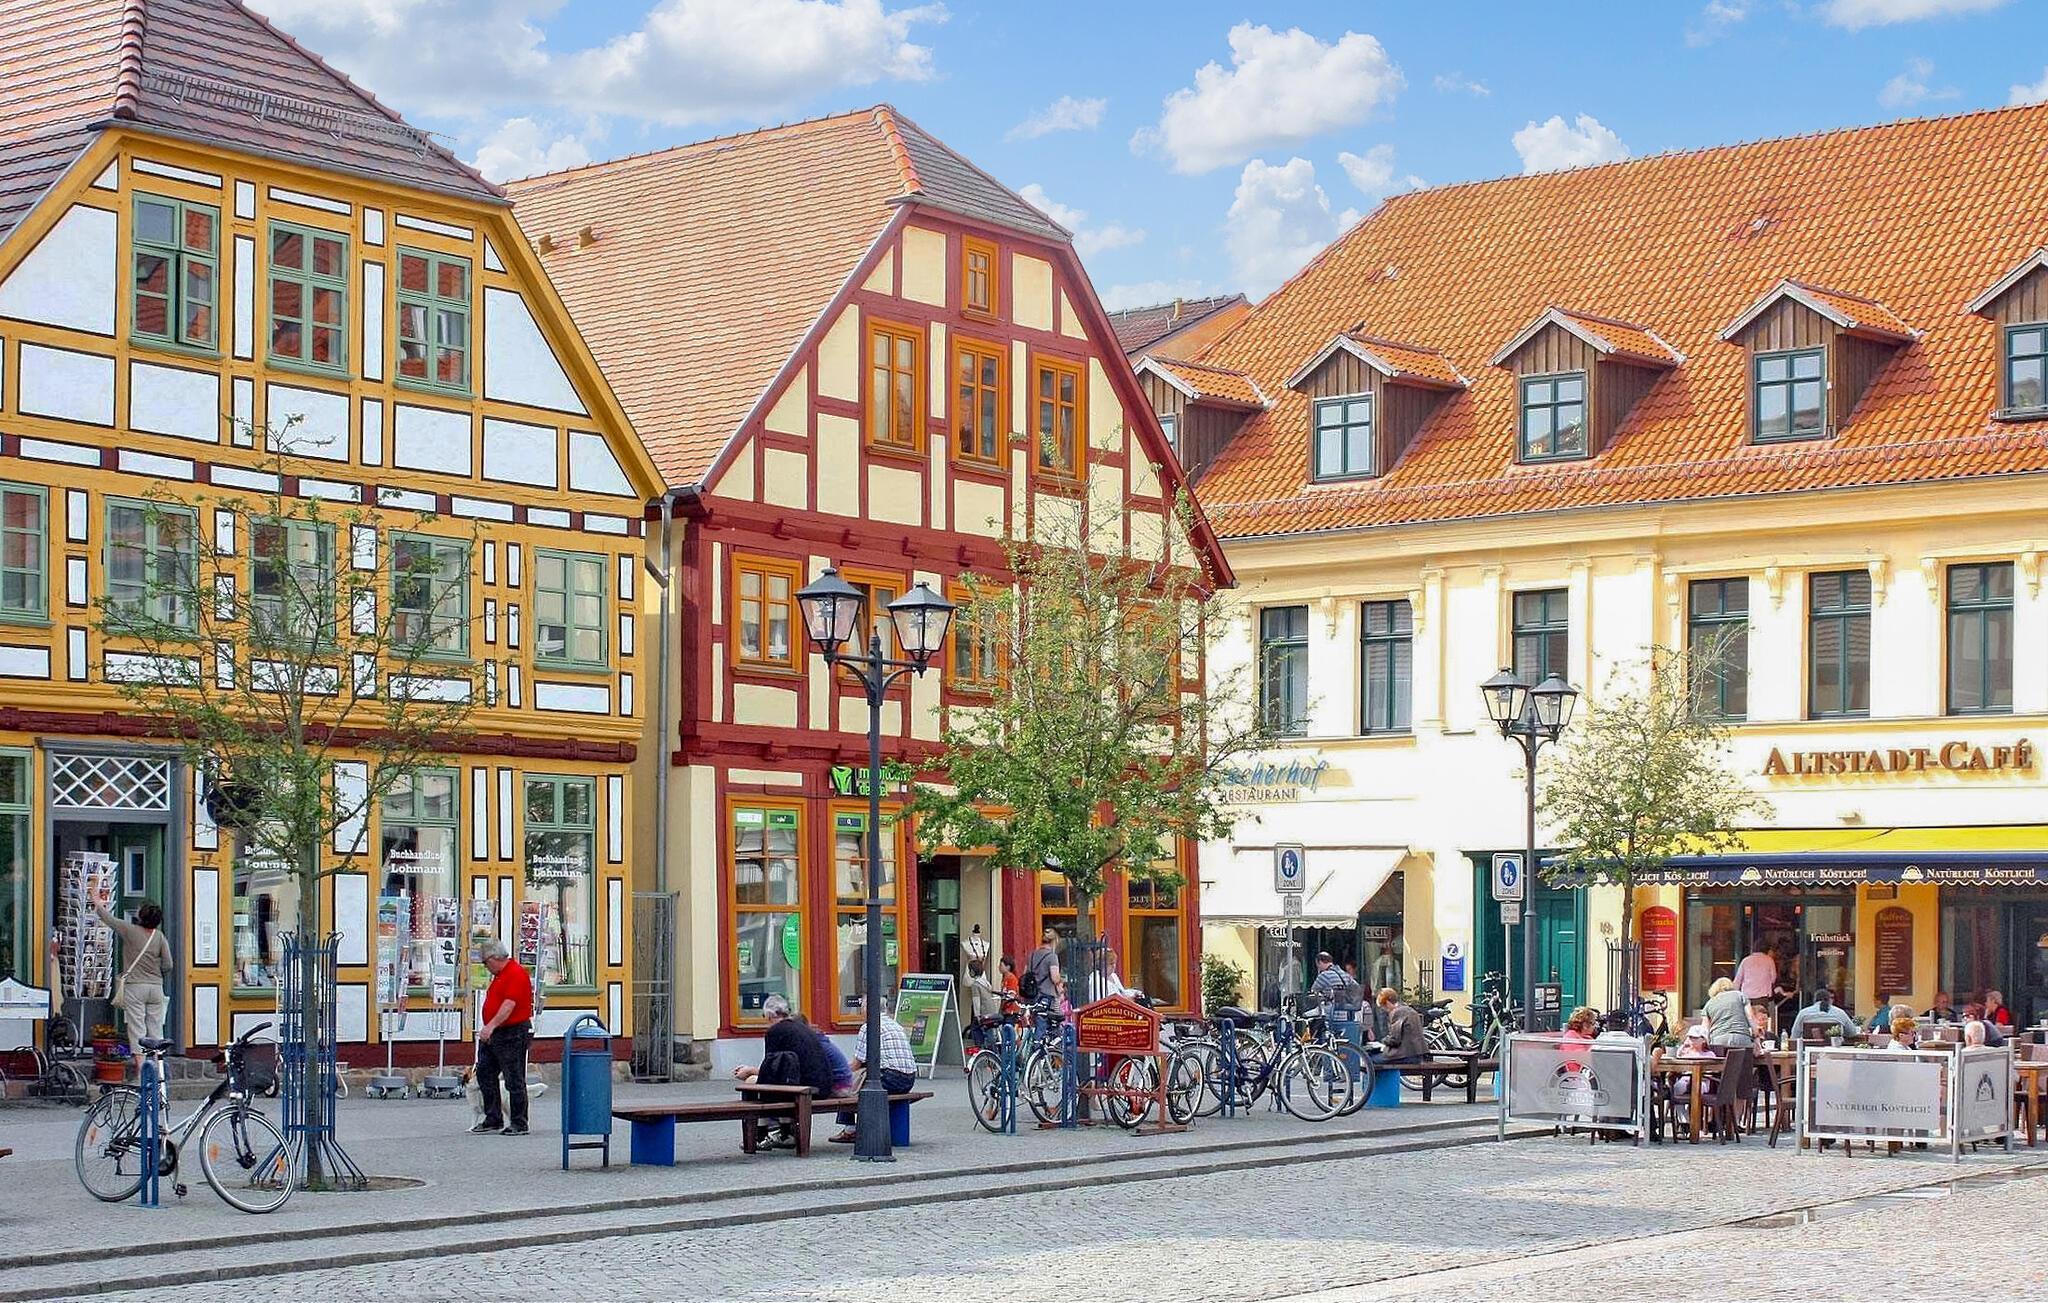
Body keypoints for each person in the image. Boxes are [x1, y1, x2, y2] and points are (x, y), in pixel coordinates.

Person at [733, 995, 837, 1148]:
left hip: (805, 1088)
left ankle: (758, 1136)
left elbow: (770, 1070)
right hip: (822, 1086)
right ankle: (785, 1133)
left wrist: (749, 1072)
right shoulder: (803, 1028)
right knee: (781, 1084)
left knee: (753, 1083)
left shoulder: (775, 1031)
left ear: (769, 1015)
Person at [830, 996, 919, 1143]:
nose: (861, 1011)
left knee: (846, 1084)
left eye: (862, 1007)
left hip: (889, 1078)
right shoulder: (896, 1025)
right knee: (858, 1079)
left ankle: (850, 1129)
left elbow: (856, 1063)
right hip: (909, 1080)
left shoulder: (869, 1027)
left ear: (867, 1009)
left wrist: (838, 1074)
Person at [470, 939, 535, 1136]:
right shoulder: (500, 975)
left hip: (512, 1031)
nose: (485, 967)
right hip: (496, 1032)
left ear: (494, 958)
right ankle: (493, 1117)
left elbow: (509, 1005)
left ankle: (519, 1122)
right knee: (485, 1072)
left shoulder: (515, 973)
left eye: (485, 963)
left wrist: (490, 1026)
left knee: (513, 1078)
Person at [94, 895, 171, 1043]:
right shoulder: (159, 936)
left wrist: (96, 901)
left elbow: (109, 919)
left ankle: (139, 1058)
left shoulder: (130, 930)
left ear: (141, 916)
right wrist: (156, 972)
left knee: (137, 1028)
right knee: (156, 1029)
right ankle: (157, 1056)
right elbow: (168, 964)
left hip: (135, 986)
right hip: (156, 987)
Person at [1370, 987, 1426, 1065]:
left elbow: (1395, 1039)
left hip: (1405, 1055)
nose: (1383, 1010)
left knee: (1371, 1059)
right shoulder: (1408, 1009)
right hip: (1417, 1054)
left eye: (1382, 1007)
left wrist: (1383, 1041)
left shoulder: (1397, 1013)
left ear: (1387, 1003)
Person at [1787, 987, 1859, 1041]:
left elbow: (1794, 1036)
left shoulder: (1803, 1013)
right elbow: (1852, 1033)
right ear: (1829, 1000)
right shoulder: (1840, 1012)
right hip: (1833, 1051)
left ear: (1814, 1000)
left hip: (1809, 1050)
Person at [1701, 977, 1754, 1048]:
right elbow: (1750, 1016)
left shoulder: (1709, 1003)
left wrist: (1706, 1045)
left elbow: (1705, 1028)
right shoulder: (1740, 995)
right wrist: (1755, 1033)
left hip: (1718, 1038)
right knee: (1743, 1055)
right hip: (1741, 1036)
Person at [1023, 929, 1061, 1004]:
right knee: (1056, 1011)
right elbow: (1055, 978)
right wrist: (1060, 979)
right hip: (1046, 996)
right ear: (1053, 942)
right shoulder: (1052, 957)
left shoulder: (1032, 955)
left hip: (1031, 995)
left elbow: (1024, 973)